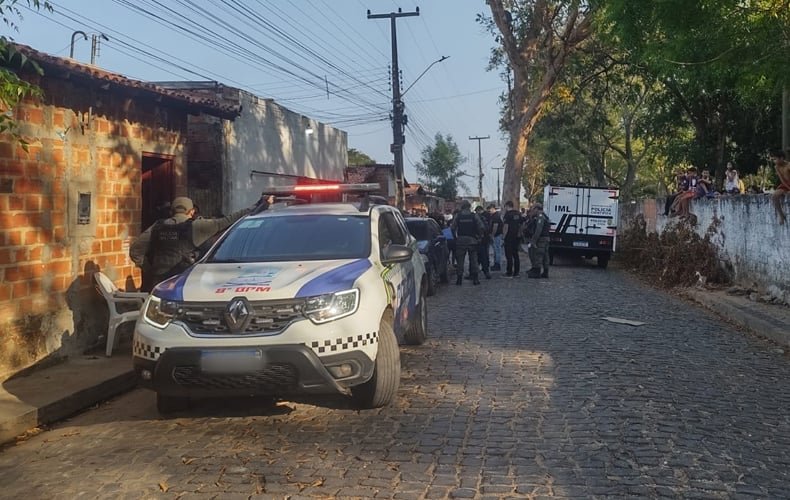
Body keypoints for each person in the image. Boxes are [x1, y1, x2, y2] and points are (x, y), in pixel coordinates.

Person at [130, 195, 272, 291]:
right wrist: (260, 205)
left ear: (172, 211)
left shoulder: (157, 226)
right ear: (191, 211)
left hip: (158, 283)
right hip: (184, 284)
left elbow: (135, 250)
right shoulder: (197, 226)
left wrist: (149, 269)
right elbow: (229, 220)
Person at [451, 200, 485, 285]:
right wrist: (480, 237)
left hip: (461, 241)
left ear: (462, 207)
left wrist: (455, 238)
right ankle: (475, 279)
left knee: (460, 261)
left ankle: (459, 280)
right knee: (474, 260)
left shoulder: (458, 216)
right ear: (469, 207)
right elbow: (481, 227)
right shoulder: (474, 216)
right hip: (472, 241)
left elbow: (452, 228)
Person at [524, 203, 551, 278]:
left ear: (536, 209)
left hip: (541, 239)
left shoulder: (540, 217)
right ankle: (545, 272)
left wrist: (534, 240)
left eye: (533, 209)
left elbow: (538, 229)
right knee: (545, 256)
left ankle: (537, 272)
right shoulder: (544, 216)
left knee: (538, 255)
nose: (532, 210)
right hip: (545, 238)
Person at [501, 200, 523, 277]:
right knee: (515, 254)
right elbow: (521, 225)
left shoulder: (507, 215)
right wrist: (519, 234)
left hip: (509, 237)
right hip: (516, 237)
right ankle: (516, 272)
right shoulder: (518, 214)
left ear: (507, 206)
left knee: (509, 255)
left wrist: (503, 237)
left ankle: (509, 271)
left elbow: (506, 226)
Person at [769, 149, 790, 225]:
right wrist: (787, 188)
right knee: (774, 196)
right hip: (785, 184)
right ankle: (781, 215)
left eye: (775, 159)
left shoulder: (788, 165)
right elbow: (781, 179)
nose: (774, 161)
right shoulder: (777, 167)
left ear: (781, 158)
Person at [474, 205, 492, 280]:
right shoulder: (486, 216)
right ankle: (486, 271)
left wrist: (479, 237)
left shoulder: (476, 218)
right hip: (485, 239)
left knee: (475, 257)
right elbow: (488, 227)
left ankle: (474, 272)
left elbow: (481, 228)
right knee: (484, 256)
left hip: (478, 240)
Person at [488, 204, 503, 271]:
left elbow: (495, 226)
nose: (489, 211)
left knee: (497, 250)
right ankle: (496, 264)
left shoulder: (496, 216)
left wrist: (492, 235)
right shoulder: (494, 216)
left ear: (493, 209)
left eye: (490, 209)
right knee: (496, 250)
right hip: (496, 235)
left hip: (497, 235)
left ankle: (497, 264)